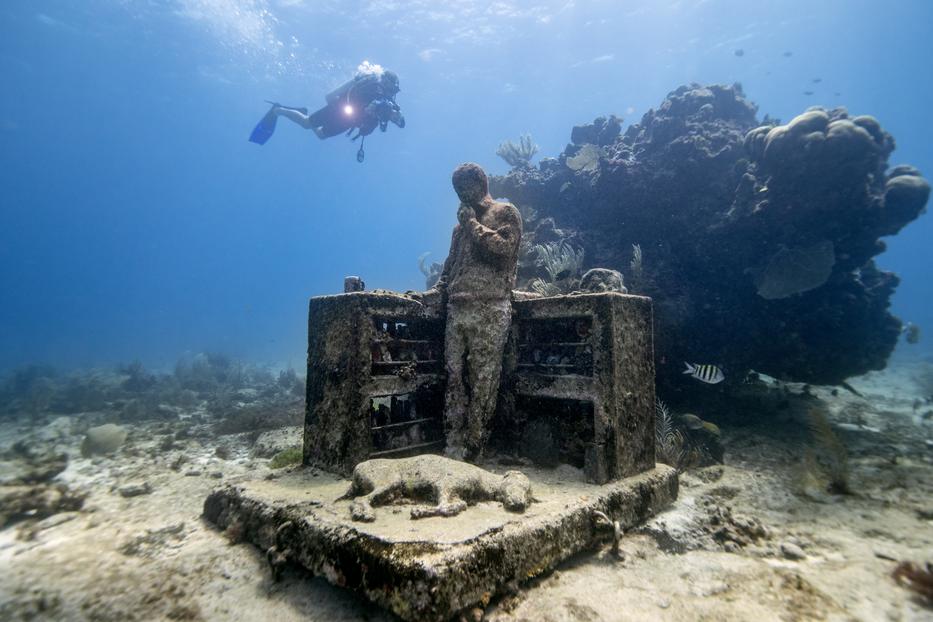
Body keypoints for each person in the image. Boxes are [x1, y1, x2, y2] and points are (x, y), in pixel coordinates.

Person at [433, 163, 523, 461]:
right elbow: (451, 266)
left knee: (484, 378)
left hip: (491, 305)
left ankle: (474, 448)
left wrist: (472, 224)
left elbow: (505, 249)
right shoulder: (459, 229)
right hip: (457, 307)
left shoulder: (504, 213)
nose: (461, 194)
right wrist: (438, 289)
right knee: (453, 376)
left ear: (481, 183)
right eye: (456, 190)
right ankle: (452, 443)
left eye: (465, 187)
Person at [249, 61, 405, 161]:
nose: (391, 92)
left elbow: (368, 127)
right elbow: (344, 97)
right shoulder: (370, 86)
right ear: (385, 82)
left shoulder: (387, 105)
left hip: (349, 120)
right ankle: (278, 110)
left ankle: (301, 112)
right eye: (392, 88)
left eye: (393, 90)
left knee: (320, 135)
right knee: (306, 124)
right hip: (340, 108)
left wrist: (388, 117)